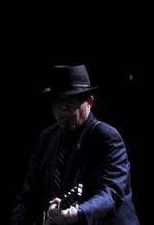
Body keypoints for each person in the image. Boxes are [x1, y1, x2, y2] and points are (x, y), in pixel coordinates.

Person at [11, 64, 139, 225]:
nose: (64, 109)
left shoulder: (107, 137)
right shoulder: (46, 138)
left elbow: (112, 192)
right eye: (58, 101)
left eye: (72, 100)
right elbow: (28, 196)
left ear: (90, 102)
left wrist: (79, 212)